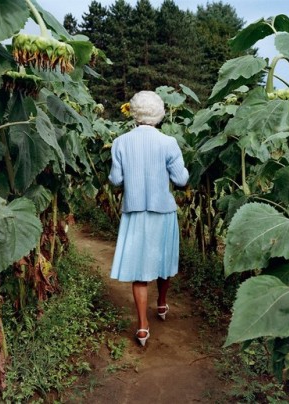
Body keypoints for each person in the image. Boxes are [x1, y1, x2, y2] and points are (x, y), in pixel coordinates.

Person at [108, 90, 189, 347]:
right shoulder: (169, 143)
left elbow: (116, 180)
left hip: (134, 212)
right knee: (164, 261)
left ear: (133, 112)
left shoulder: (121, 142)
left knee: (139, 271)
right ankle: (162, 304)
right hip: (162, 211)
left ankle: (143, 327)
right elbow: (181, 179)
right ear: (160, 113)